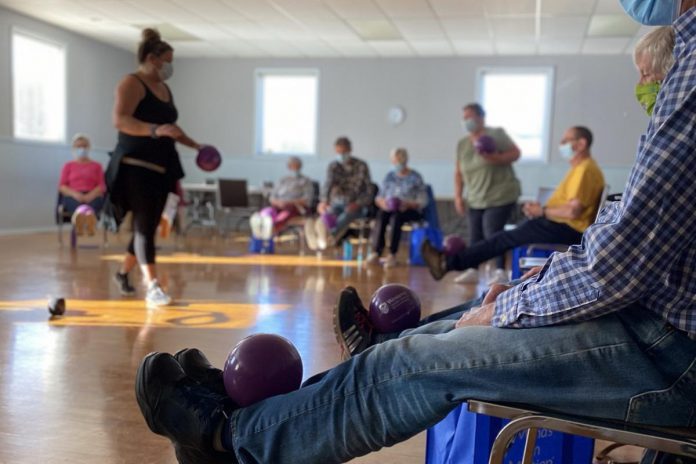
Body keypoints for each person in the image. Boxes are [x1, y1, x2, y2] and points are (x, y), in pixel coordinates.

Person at [134, 4, 696, 463]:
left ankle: (231, 441)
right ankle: (323, 382)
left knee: (412, 365)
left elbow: (615, 262)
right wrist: (518, 295)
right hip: (654, 322)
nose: (648, 84)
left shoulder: (691, 70)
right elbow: (627, 239)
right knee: (475, 310)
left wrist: (511, 305)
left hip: (671, 353)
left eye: (650, 76)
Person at [421, 125, 606, 282]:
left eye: (566, 140)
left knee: (502, 238)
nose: (561, 144)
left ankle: (449, 262)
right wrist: (540, 210)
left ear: (581, 144)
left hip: (566, 229)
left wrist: (542, 211)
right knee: (502, 237)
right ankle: (450, 262)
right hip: (558, 224)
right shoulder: (582, 169)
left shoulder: (585, 170)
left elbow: (573, 212)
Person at [106, 28, 203, 306]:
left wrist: (195, 145)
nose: (170, 65)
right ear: (151, 57)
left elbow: (170, 127)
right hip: (135, 166)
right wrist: (153, 130)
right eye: (167, 59)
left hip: (163, 168)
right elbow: (120, 120)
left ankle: (123, 273)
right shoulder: (131, 82)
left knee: (147, 225)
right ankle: (153, 285)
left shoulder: (164, 88)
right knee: (144, 226)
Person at [453, 103, 521, 285]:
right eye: (464, 118)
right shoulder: (462, 144)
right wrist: (458, 196)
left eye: (470, 117)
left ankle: (500, 271)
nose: (466, 121)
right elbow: (459, 172)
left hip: (500, 194)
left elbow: (516, 153)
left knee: (493, 231)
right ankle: (473, 268)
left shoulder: (497, 134)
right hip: (475, 196)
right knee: (475, 234)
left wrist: (496, 158)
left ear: (481, 118)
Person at [304, 137, 373, 251]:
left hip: (356, 205)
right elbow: (328, 184)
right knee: (329, 213)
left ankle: (328, 236)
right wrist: (323, 201)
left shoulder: (361, 166)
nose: (341, 155)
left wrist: (358, 203)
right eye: (339, 152)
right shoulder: (334, 166)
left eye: (344, 152)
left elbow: (369, 190)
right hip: (338, 202)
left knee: (345, 216)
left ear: (350, 150)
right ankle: (319, 231)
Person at [365, 148, 428, 268]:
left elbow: (423, 200)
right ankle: (376, 252)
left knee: (396, 218)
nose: (397, 163)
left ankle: (392, 254)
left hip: (409, 210)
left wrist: (407, 204)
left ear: (405, 160)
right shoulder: (389, 176)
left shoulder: (415, 177)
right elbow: (379, 197)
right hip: (389, 208)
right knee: (381, 215)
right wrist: (383, 203)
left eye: (400, 160)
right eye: (395, 160)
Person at [249, 157, 314, 240]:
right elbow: (272, 197)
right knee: (267, 212)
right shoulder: (282, 180)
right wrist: (278, 202)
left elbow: (307, 200)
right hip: (278, 205)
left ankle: (271, 230)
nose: (294, 168)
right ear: (288, 167)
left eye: (296, 166)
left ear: (300, 167)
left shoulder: (306, 181)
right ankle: (260, 228)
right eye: (292, 166)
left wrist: (288, 202)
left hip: (294, 207)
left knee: (286, 212)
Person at [58, 133, 106, 236]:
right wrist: (75, 194)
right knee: (79, 206)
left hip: (93, 195)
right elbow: (62, 186)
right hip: (73, 195)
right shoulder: (68, 166)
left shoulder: (97, 166)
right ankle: (85, 220)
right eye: (78, 146)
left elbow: (102, 186)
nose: (82, 148)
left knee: (93, 204)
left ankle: (85, 220)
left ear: (89, 148)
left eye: (84, 146)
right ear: (74, 149)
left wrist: (90, 195)